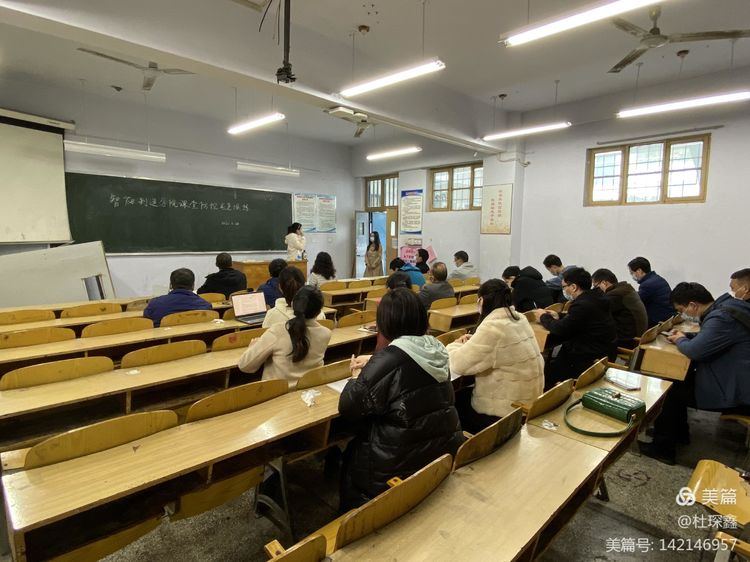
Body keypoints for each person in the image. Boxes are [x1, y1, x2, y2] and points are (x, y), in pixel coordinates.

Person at [338, 288, 464, 511]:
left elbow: (348, 406)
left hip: (397, 464)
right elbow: (405, 367)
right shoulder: (435, 348)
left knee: (350, 453)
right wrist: (375, 362)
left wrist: (356, 377)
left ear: (385, 322)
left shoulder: (389, 359)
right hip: (440, 452)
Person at [640, 282, 750, 464]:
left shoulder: (721, 318)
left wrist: (681, 340)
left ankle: (663, 449)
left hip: (737, 391)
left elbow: (695, 351)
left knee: (669, 390)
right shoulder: (728, 307)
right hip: (738, 378)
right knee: (679, 381)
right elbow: (712, 338)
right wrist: (687, 337)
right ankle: (677, 433)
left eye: (681, 310)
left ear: (692, 305)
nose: (682, 314)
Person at [447, 279, 544, 433]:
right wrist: (474, 341)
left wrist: (455, 344)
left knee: (451, 405)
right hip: (528, 401)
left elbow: (458, 365)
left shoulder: (493, 327)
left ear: (481, 300)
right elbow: (497, 350)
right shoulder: (519, 318)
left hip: (504, 411)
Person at [533, 267, 617, 390]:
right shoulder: (596, 298)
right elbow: (580, 319)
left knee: (546, 374)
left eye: (564, 287)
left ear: (573, 287)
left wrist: (543, 317)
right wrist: (559, 316)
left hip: (586, 357)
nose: (563, 290)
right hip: (602, 352)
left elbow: (561, 329)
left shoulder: (583, 304)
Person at [238, 286, 331, 388]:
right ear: (319, 311)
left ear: (292, 304)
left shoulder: (277, 331)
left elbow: (245, 366)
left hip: (277, 393)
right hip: (308, 390)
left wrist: (252, 347)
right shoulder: (326, 333)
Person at [592, 268, 648, 348]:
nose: (595, 290)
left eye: (595, 286)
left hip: (630, 340)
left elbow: (597, 312)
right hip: (638, 335)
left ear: (604, 283)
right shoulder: (625, 288)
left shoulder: (616, 295)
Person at [143, 268, 213, 327]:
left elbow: (147, 322)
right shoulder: (205, 306)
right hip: (198, 339)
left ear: (171, 285)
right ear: (193, 286)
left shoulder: (155, 304)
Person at [627, 256, 674, 327]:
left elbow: (636, 303)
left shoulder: (646, 285)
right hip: (669, 315)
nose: (632, 276)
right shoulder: (658, 278)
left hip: (660, 320)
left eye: (632, 273)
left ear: (639, 271)